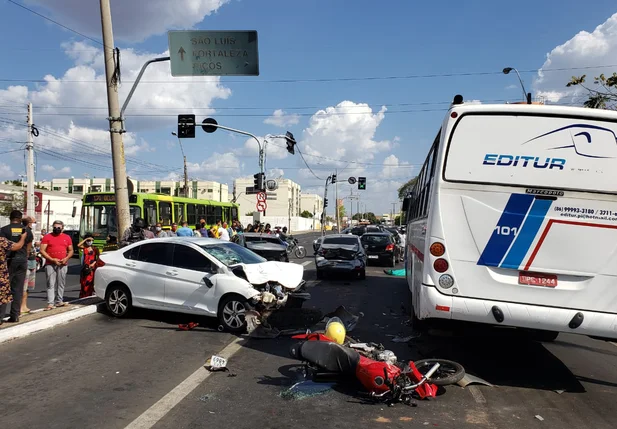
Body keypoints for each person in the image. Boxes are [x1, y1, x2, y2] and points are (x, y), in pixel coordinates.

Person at [0, 210, 33, 322]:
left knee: (4, 289)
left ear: (10, 218)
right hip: (22, 260)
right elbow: (29, 246)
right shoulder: (26, 230)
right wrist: (25, 256)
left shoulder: (4, 230)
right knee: (18, 289)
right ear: (20, 218)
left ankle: (1, 316)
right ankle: (15, 315)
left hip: (8, 262)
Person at [40, 220, 74, 311]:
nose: (56, 229)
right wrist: (52, 259)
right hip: (50, 264)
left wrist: (66, 259)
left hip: (63, 263)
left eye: (58, 228)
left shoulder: (67, 237)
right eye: (55, 227)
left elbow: (71, 250)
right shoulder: (47, 237)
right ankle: (50, 303)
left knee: (61, 283)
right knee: (50, 283)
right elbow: (42, 250)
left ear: (62, 228)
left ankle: (59, 301)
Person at [22, 216, 36, 314]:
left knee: (27, 287)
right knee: (24, 285)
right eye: (34, 222)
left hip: (29, 260)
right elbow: (28, 249)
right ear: (29, 223)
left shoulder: (26, 231)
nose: (35, 224)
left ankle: (24, 306)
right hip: (27, 261)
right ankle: (21, 307)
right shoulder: (27, 232)